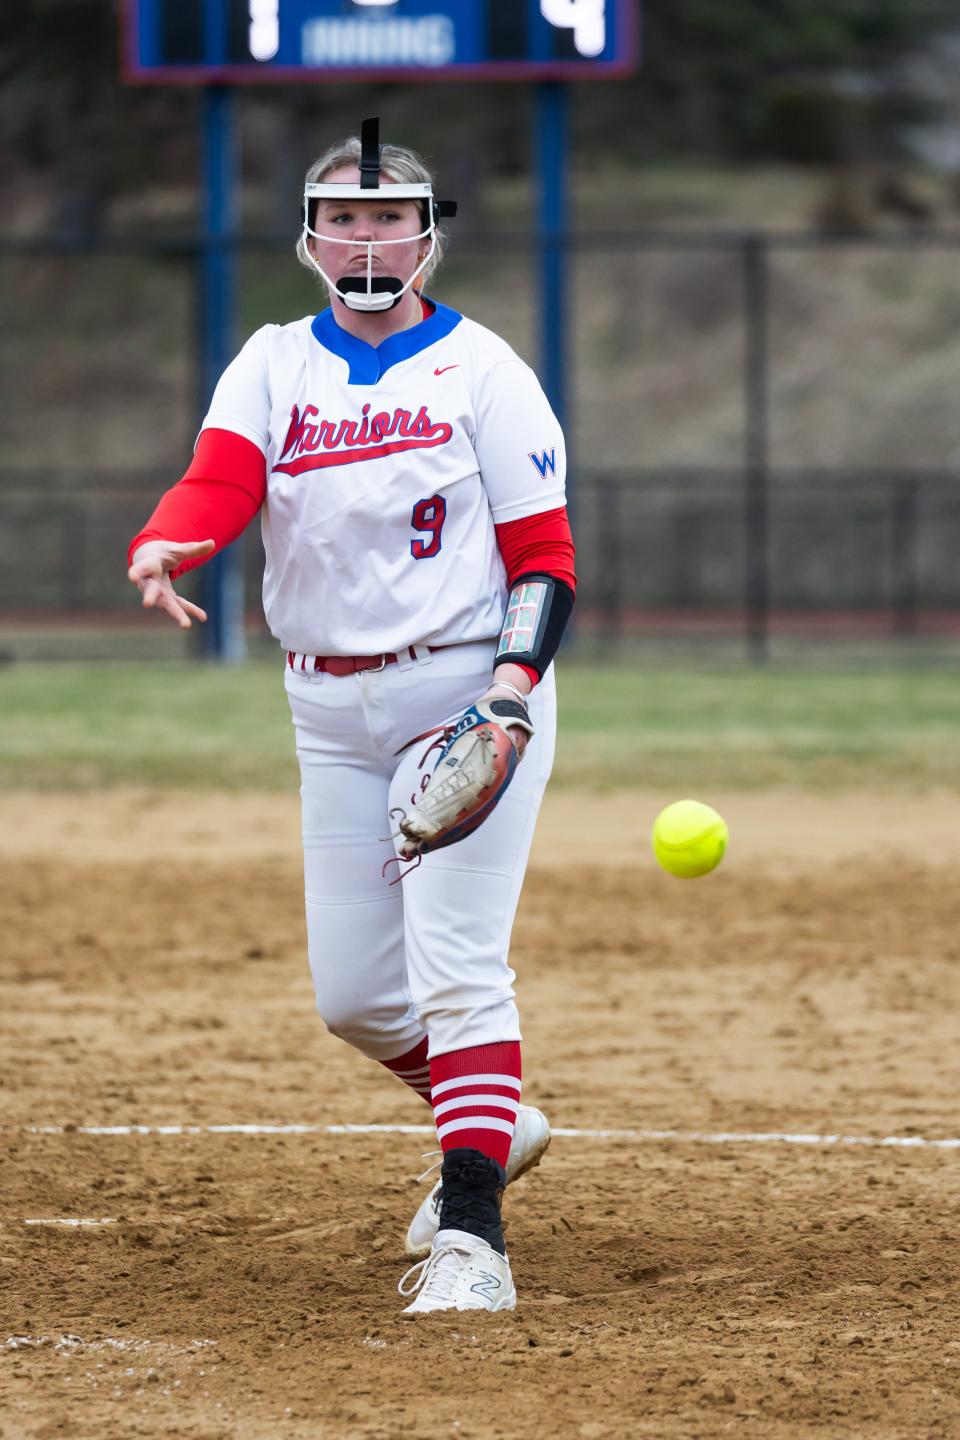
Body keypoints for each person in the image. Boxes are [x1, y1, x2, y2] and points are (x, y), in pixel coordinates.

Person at [127, 118, 576, 1315]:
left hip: (462, 693)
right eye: (344, 214)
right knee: (357, 1000)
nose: (365, 234)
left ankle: (472, 1239)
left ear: (426, 238)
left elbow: (545, 557)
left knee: (458, 972)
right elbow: (222, 476)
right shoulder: (274, 361)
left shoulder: (485, 370)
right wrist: (172, 535)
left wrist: (511, 693)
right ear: (309, 237)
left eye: (389, 216)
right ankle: (495, 1119)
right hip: (324, 704)